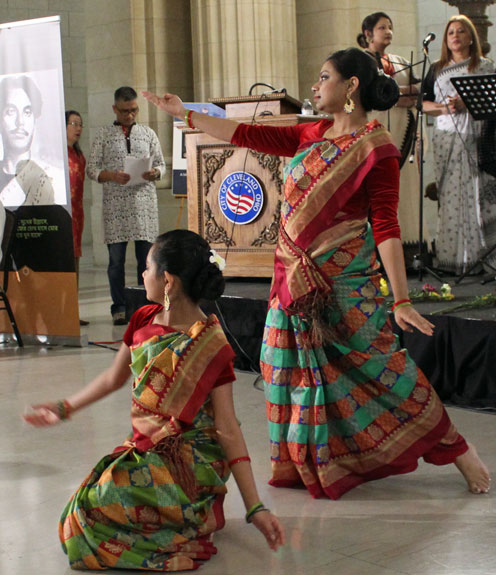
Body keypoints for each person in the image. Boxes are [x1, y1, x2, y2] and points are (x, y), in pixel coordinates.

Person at [143, 47, 491, 501]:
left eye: (324, 77)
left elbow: (386, 225)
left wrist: (402, 299)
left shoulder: (375, 147)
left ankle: (458, 449)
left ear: (351, 87)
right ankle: (309, 462)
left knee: (382, 371)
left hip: (341, 284)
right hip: (290, 280)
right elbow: (244, 133)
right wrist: (184, 112)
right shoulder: (312, 132)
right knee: (282, 368)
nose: (315, 85)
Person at [23, 229, 285, 571]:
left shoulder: (210, 344)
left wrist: (255, 508)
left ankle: (191, 511)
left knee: (87, 519)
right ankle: (183, 520)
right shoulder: (143, 320)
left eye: (148, 267)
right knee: (78, 517)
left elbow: (227, 428)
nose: (143, 274)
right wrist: (63, 407)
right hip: (145, 449)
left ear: (168, 281)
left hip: (187, 462)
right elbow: (112, 379)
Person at [422, 15, 496, 274]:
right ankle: (454, 260)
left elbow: (493, 103)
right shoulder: (436, 68)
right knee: (450, 193)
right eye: (451, 32)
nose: (455, 36)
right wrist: (445, 107)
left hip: (477, 136)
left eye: (461, 31)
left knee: (480, 192)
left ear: (470, 37)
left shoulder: (485, 66)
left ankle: (484, 258)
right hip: (446, 137)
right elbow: (423, 103)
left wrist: (466, 103)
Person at [87, 86, 166, 326]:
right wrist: (111, 175)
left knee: (147, 262)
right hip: (115, 208)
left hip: (144, 206)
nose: (129, 115)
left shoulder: (148, 133)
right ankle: (119, 307)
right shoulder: (103, 135)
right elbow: (92, 169)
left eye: (133, 110)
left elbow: (163, 165)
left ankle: (145, 307)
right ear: (115, 109)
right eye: (124, 111)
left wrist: (155, 172)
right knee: (115, 262)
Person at [357, 12, 430, 265]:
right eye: (381, 27)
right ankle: (375, 258)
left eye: (390, 27)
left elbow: (417, 93)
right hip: (376, 134)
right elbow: (374, 94)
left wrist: (397, 95)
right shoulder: (361, 61)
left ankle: (411, 255)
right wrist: (401, 94)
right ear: (368, 33)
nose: (387, 31)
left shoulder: (398, 61)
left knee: (406, 191)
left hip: (405, 133)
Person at [0, 74, 55, 207]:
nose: (20, 122)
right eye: (11, 111)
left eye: (27, 112)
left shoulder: (51, 175)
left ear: (35, 119)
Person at [66, 110, 88, 326]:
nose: (78, 128)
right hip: (62, 216)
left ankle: (73, 311)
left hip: (77, 215)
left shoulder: (79, 155)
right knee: (64, 264)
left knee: (75, 263)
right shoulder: (58, 154)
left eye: (80, 124)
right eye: (73, 123)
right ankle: (63, 313)